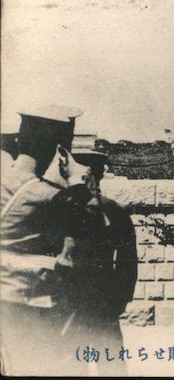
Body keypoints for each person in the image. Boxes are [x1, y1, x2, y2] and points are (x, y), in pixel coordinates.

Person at [0, 105, 92, 375]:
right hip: (26, 302)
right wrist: (78, 182)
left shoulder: (7, 181)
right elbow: (87, 221)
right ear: (55, 149)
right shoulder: (45, 195)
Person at [59, 145, 138, 376]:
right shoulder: (115, 210)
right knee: (110, 363)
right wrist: (122, 298)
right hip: (104, 298)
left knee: (75, 363)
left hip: (75, 298)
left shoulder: (65, 208)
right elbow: (127, 262)